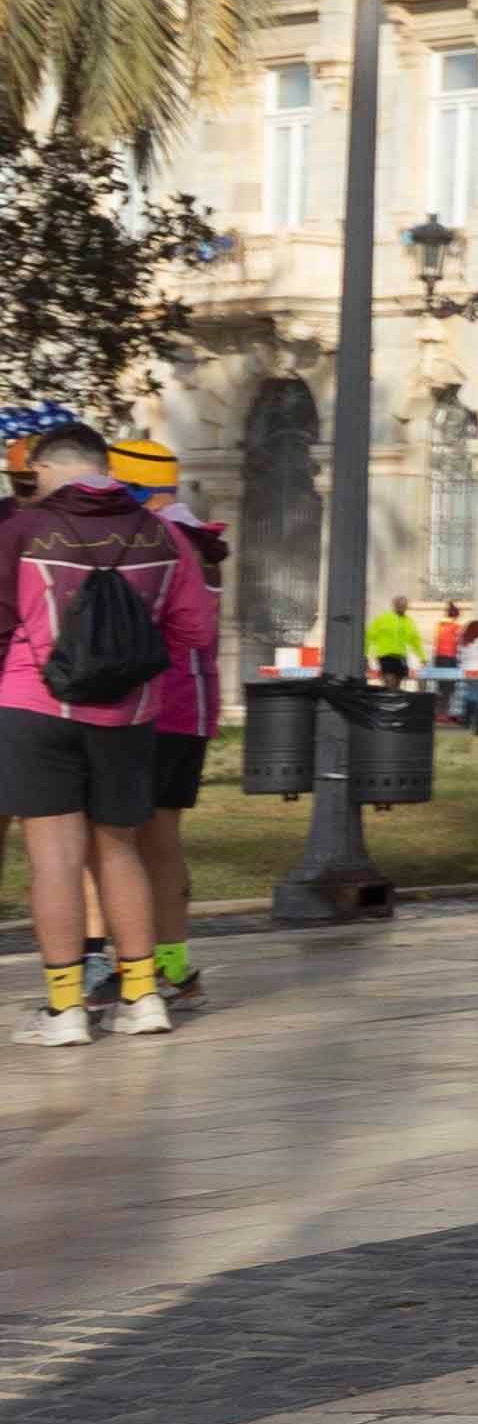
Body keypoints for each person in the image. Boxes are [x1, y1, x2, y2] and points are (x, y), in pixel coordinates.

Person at [4, 428, 216, 1048]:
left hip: (34, 704)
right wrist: (132, 673)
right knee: (120, 850)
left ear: (49, 468)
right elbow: (193, 630)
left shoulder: (22, 528)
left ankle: (66, 1008)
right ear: (105, 469)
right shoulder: (164, 534)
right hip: (130, 714)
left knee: (55, 858)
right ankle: (143, 996)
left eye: (32, 472)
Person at [120, 441, 219, 1022]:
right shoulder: (199, 537)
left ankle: (149, 970)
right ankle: (175, 965)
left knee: (131, 843)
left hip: (160, 708)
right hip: (194, 712)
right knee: (163, 840)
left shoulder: (160, 540)